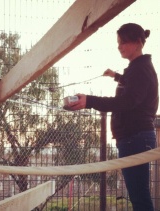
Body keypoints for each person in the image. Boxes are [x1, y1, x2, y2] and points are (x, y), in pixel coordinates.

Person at [65, 23, 159, 211]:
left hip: (135, 138)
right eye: (118, 43)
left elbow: (127, 101)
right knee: (139, 195)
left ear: (138, 43)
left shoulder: (139, 69)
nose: (119, 46)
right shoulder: (138, 68)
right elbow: (132, 87)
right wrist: (115, 76)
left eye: (124, 42)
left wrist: (89, 101)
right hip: (135, 138)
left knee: (139, 197)